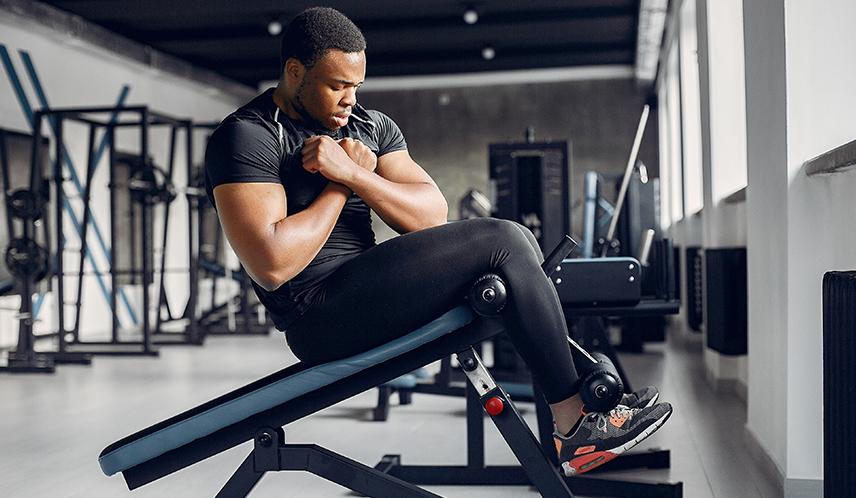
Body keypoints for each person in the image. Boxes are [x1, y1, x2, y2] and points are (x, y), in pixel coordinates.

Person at [204, 6, 672, 476]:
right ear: (294, 71)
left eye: (357, 86)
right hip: (317, 316)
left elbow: (431, 216)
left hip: (368, 292)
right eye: (336, 86)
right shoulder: (248, 136)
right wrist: (340, 183)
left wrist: (354, 174)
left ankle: (583, 405)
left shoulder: (369, 127)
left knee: (514, 248)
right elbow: (272, 264)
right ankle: (576, 422)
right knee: (506, 239)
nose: (349, 100)